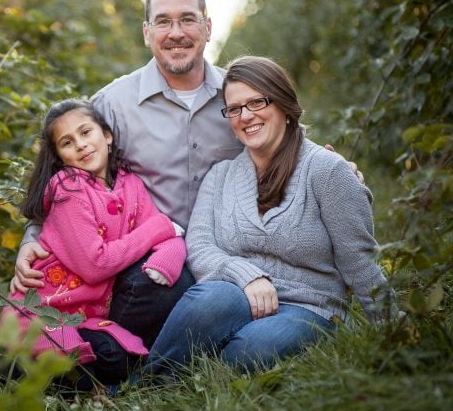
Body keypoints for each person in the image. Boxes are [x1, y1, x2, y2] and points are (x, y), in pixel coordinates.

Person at [12, 0, 243, 348]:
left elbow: (278, 142)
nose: (176, 32)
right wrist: (30, 242)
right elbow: (63, 179)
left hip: (223, 250)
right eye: (163, 22)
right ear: (147, 32)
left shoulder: (237, 96)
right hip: (146, 262)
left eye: (187, 19)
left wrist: (330, 166)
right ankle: (109, 353)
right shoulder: (114, 103)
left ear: (207, 27)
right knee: (164, 284)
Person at [144, 56, 396, 376]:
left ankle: (203, 361)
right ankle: (146, 383)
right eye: (234, 108)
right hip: (238, 296)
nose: (245, 116)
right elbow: (200, 244)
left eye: (257, 102)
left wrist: (395, 333)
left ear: (283, 104)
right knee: (210, 299)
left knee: (248, 352)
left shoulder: (326, 170)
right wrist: (245, 275)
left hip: (309, 308)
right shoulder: (221, 175)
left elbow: (360, 260)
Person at [0, 99, 185, 391]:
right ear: (60, 156)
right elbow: (96, 265)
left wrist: (170, 252)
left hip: (85, 316)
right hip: (44, 310)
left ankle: (50, 372)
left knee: (119, 360)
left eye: (86, 132)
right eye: (67, 142)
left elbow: (164, 232)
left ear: (107, 135)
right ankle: (12, 364)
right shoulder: (68, 188)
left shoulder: (130, 184)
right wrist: (161, 228)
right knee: (78, 373)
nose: (81, 145)